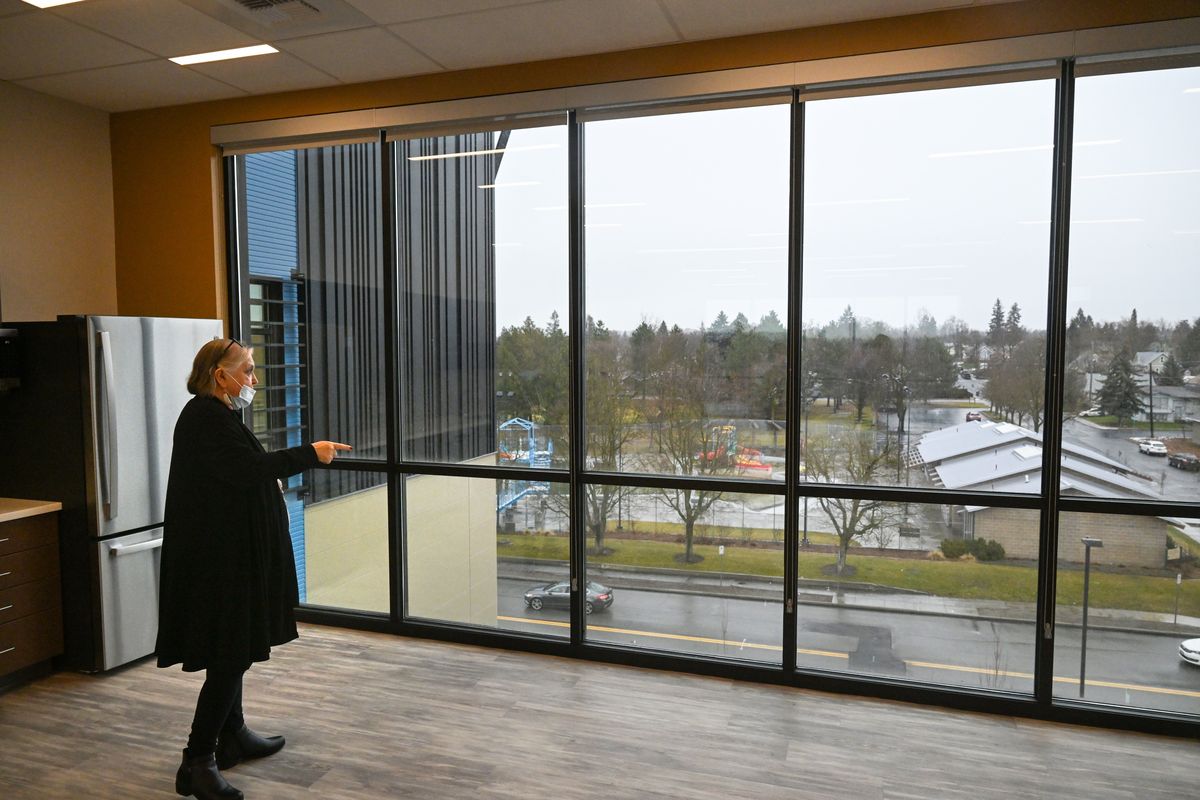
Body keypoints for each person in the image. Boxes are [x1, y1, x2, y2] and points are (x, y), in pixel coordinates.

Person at [157, 337, 350, 800]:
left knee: (236, 647)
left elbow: (234, 472)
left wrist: (270, 476)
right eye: (245, 369)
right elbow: (244, 470)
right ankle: (196, 762)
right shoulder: (205, 417)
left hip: (230, 555)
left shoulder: (219, 415)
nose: (253, 379)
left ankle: (233, 735)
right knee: (229, 656)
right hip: (219, 562)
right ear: (218, 374)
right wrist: (310, 453)